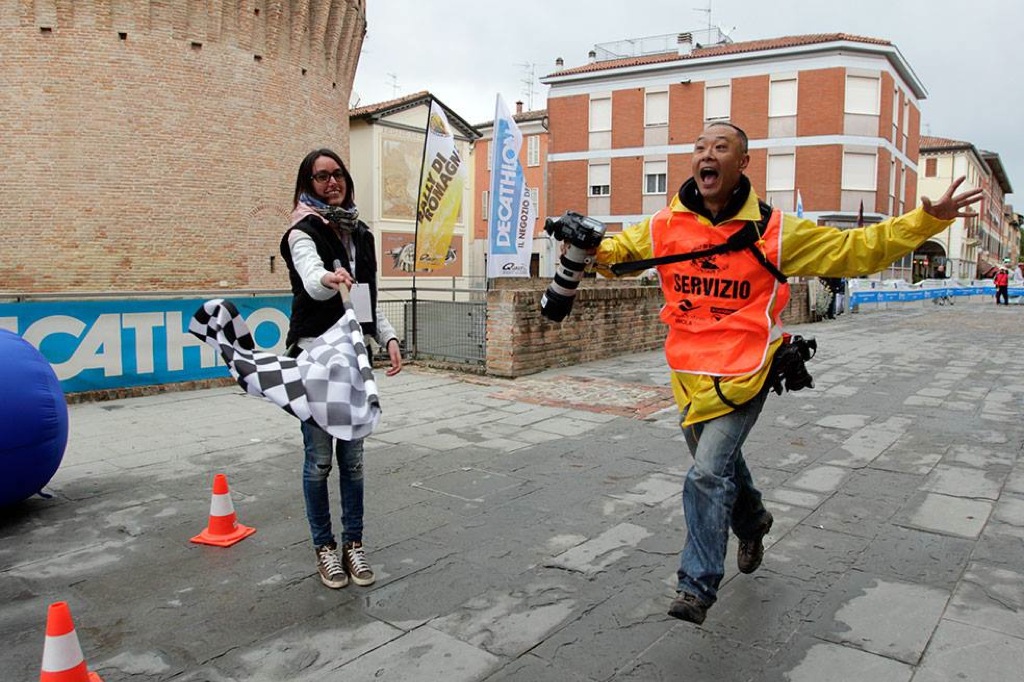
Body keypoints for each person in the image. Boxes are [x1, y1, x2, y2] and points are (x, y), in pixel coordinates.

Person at [592, 122, 982, 625]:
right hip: (688, 372)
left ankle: (695, 585)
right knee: (724, 467)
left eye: (721, 147)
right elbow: (618, 254)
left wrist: (922, 222)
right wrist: (586, 247)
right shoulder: (665, 225)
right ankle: (753, 522)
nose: (706, 155)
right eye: (700, 147)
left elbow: (852, 250)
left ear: (742, 164)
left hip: (748, 369)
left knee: (708, 473)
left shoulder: (776, 231)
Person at [279, 148, 403, 589]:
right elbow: (312, 278)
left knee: (353, 461)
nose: (331, 182)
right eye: (320, 177)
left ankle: (354, 544)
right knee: (318, 462)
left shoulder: (362, 235)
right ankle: (324, 548)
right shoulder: (301, 231)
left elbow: (367, 298)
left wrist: (386, 335)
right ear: (307, 183)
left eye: (337, 175)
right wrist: (329, 280)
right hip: (314, 356)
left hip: (352, 359)